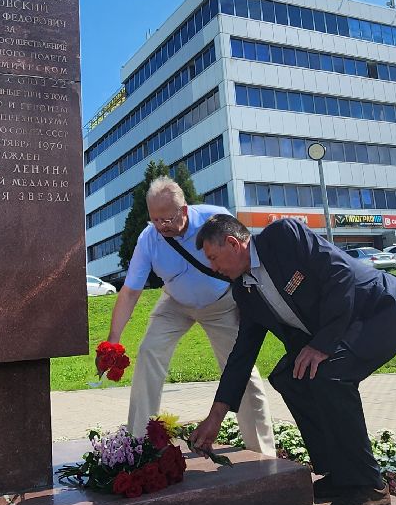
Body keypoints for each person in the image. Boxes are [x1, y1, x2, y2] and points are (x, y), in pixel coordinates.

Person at [189, 215, 396, 505]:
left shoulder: (283, 237)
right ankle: (342, 475)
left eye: (213, 258)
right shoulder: (244, 291)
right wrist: (215, 417)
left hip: (380, 308)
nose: (213, 268)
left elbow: (339, 274)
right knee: (290, 377)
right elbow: (242, 354)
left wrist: (322, 345)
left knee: (330, 375)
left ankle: (370, 488)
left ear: (233, 243)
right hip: (344, 324)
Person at [104, 179, 275, 456]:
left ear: (184, 210)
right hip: (175, 303)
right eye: (155, 219)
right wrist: (113, 340)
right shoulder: (149, 238)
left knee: (242, 372)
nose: (161, 226)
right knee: (148, 352)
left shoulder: (215, 219)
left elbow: (245, 259)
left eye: (167, 218)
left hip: (221, 304)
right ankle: (137, 444)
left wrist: (248, 303)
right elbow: (130, 292)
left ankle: (263, 453)